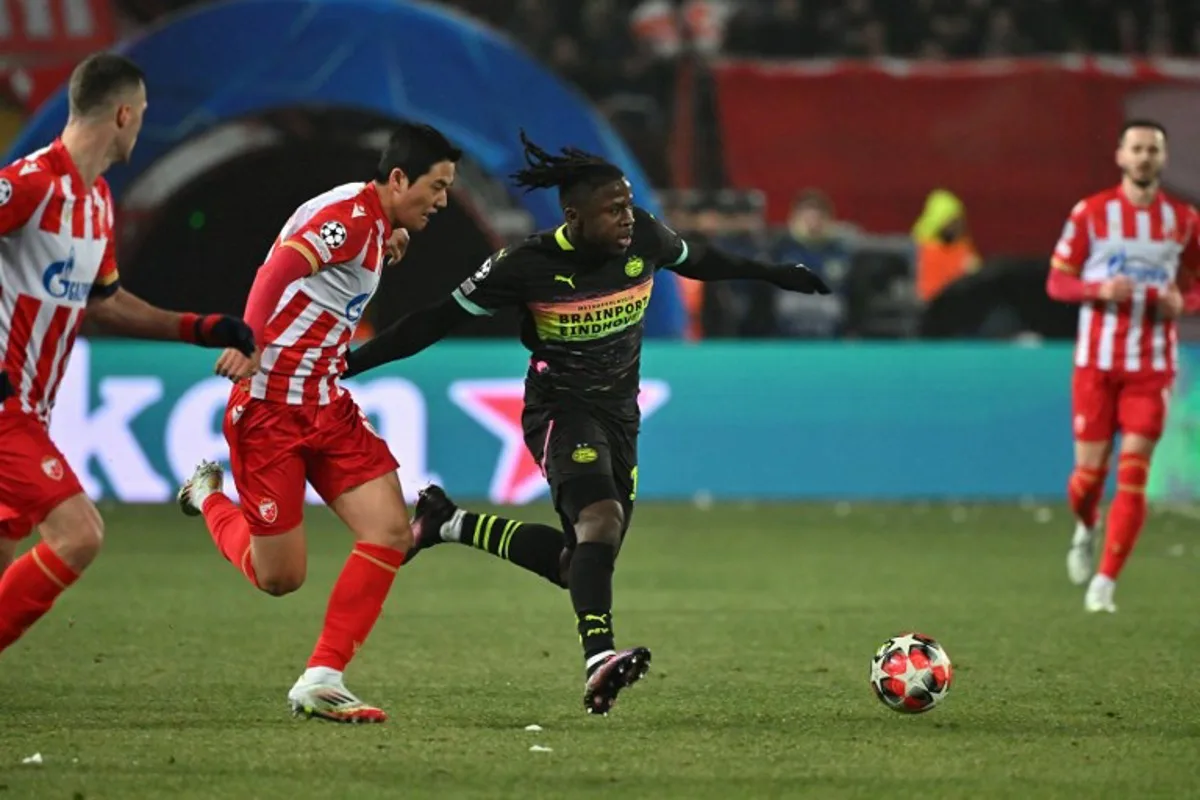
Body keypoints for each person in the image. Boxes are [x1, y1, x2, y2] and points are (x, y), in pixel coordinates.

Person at [343, 133, 830, 714]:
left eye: (628, 204)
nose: (628, 218)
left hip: (620, 415)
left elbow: (698, 260)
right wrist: (345, 363)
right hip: (559, 411)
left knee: (580, 563)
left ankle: (448, 523)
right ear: (573, 216)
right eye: (614, 209)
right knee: (601, 518)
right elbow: (431, 322)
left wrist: (775, 273)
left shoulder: (644, 237)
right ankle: (599, 657)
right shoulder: (526, 265)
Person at [176, 123, 461, 723]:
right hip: (269, 412)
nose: (442, 200)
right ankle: (207, 497)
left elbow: (330, 274)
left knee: (388, 529)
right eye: (436, 186)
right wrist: (246, 340)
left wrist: (389, 242)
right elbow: (277, 271)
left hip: (327, 405)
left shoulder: (372, 223)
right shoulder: (351, 219)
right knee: (280, 578)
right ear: (400, 178)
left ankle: (323, 678)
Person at [0, 53, 255, 654]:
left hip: (32, 410)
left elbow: (107, 303)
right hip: (5, 409)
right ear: (121, 114)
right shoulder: (29, 184)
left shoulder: (97, 203)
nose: (140, 126)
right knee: (79, 534)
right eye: (140, 115)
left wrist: (202, 327)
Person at [1048, 119, 1200, 613]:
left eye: (1152, 150)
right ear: (1119, 156)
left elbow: (1195, 286)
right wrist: (1096, 290)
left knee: (1133, 474)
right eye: (1136, 148)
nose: (1143, 157)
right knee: (1088, 479)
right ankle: (1086, 524)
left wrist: (1186, 303)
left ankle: (1106, 583)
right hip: (1095, 364)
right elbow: (1057, 282)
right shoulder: (1091, 214)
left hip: (1151, 367)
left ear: (1163, 158)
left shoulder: (1184, 220)